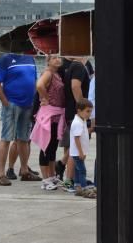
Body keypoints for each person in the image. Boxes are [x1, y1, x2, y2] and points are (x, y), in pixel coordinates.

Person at [0, 51, 39, 186]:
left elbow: (35, 80)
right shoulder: (5, 59)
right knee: (6, 138)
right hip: (12, 103)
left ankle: (24, 170)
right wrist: (5, 102)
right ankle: (0, 174)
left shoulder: (31, 59)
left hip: (28, 104)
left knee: (24, 139)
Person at [32, 55, 66, 191]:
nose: (57, 60)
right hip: (50, 114)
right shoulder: (48, 73)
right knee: (46, 147)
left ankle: (51, 176)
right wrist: (45, 97)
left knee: (52, 147)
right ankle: (45, 179)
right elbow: (39, 85)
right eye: (54, 58)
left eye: (59, 58)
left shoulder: (57, 74)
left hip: (57, 115)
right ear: (48, 61)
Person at [57, 56, 91, 187]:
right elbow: (75, 86)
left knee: (73, 146)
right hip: (76, 112)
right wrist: (83, 106)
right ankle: (70, 179)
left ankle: (70, 175)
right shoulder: (78, 67)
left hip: (71, 111)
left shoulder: (72, 66)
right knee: (76, 148)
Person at [67, 97, 95, 198]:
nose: (89, 114)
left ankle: (77, 186)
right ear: (79, 110)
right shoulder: (77, 123)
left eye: (90, 111)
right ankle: (84, 188)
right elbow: (77, 138)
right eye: (87, 111)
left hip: (77, 152)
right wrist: (81, 152)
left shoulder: (81, 120)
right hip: (78, 152)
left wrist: (90, 130)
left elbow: (82, 133)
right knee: (82, 170)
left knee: (78, 170)